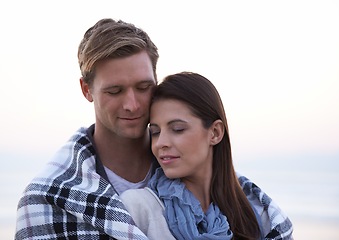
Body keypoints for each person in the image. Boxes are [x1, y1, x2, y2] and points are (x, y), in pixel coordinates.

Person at [15, 18, 159, 239]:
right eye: (114, 91)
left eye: (143, 87)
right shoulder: (43, 200)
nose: (132, 104)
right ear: (86, 90)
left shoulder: (215, 179)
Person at [120, 72, 294, 240]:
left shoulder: (258, 213)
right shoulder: (138, 207)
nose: (160, 143)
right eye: (155, 132)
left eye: (177, 129)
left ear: (215, 133)